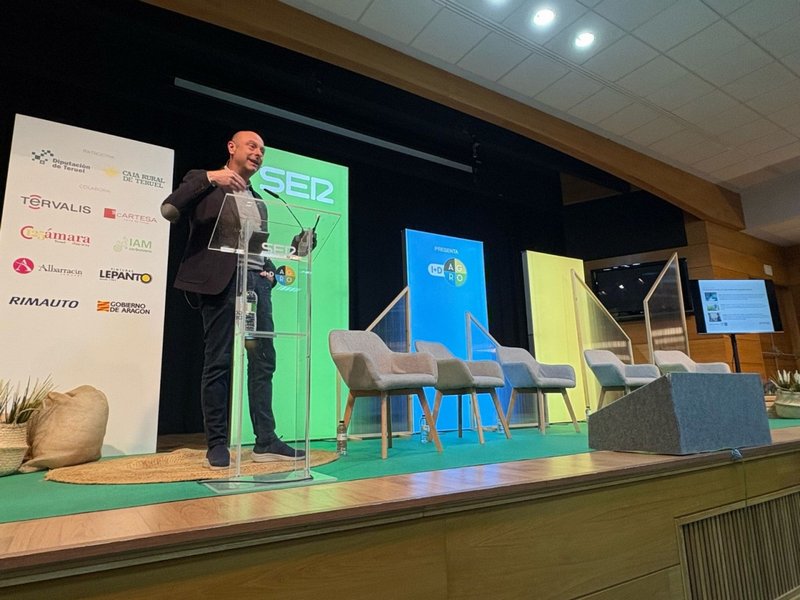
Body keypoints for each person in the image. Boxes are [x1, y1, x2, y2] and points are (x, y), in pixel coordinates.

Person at [161, 130, 305, 469]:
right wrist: (213, 177)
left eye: (263, 150)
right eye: (252, 146)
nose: (258, 153)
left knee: (263, 362)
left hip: (257, 287)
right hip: (222, 285)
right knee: (219, 361)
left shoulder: (259, 200)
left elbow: (254, 248)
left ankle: (265, 440)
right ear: (231, 147)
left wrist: (274, 267)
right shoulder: (203, 181)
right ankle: (216, 444)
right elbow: (169, 208)